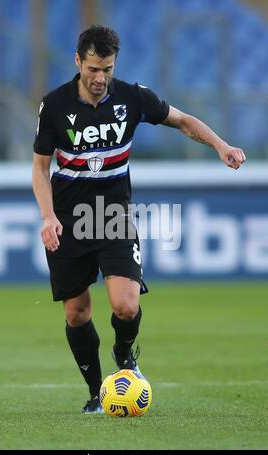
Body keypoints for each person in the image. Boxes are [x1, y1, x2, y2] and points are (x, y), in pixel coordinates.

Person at [32, 25, 246, 414]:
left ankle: (125, 354)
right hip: (68, 219)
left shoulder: (132, 97)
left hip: (113, 216)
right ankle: (97, 393)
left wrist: (221, 144)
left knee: (126, 306)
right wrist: (47, 217)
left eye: (107, 70)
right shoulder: (55, 105)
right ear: (78, 61)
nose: (100, 79)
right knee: (76, 312)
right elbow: (39, 167)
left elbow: (182, 120)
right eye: (93, 69)